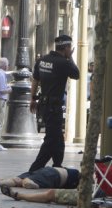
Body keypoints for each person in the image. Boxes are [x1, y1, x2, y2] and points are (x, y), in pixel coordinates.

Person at [29, 34, 80, 172]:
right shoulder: (64, 63)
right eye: (70, 48)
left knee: (58, 137)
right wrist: (70, 58)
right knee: (51, 139)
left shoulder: (42, 60)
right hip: (54, 107)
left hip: (43, 105)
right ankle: (34, 169)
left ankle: (57, 165)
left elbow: (35, 79)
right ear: (67, 48)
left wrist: (32, 98)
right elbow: (77, 74)